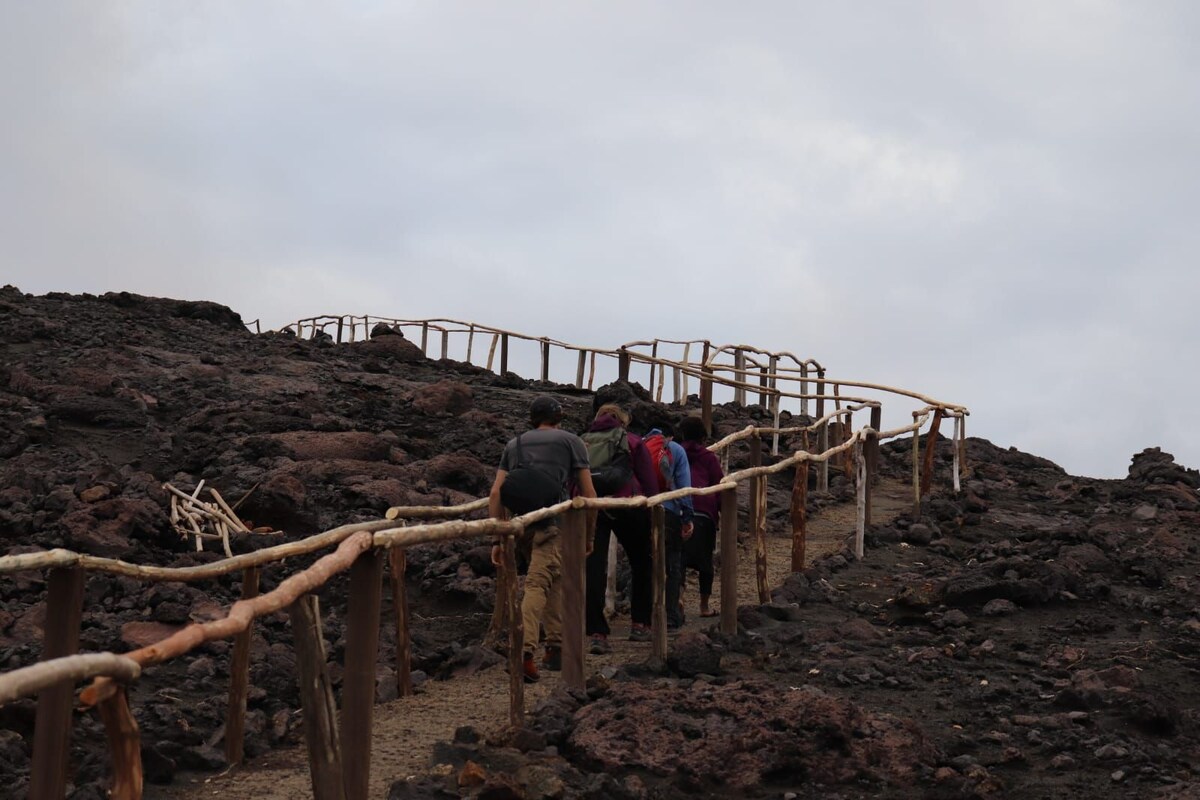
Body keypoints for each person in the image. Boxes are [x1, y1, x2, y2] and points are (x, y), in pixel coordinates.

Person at [489, 395, 596, 683]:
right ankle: (522, 653)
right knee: (538, 583)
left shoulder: (515, 445)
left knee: (553, 577)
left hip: (521, 523)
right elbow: (588, 492)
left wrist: (499, 539)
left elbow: (496, 494)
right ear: (559, 417)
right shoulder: (572, 441)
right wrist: (589, 534)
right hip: (554, 523)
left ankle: (556, 648)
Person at [583, 403, 659, 653]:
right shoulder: (632, 440)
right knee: (642, 563)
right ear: (622, 421)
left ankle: (597, 632)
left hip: (593, 505)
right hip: (629, 504)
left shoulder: (582, 441)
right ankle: (640, 624)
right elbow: (648, 479)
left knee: (594, 567)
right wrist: (651, 509)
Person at [643, 421, 694, 629]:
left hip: (643, 509)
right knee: (672, 565)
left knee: (644, 563)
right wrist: (688, 516)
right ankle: (670, 615)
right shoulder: (676, 449)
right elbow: (683, 485)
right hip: (670, 512)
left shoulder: (641, 445)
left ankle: (644, 617)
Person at [679, 415, 724, 617]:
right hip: (704, 511)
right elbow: (718, 484)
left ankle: (678, 597)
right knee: (706, 560)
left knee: (678, 558)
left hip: (679, 506)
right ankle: (704, 606)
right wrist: (723, 512)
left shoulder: (675, 452)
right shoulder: (708, 457)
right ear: (703, 437)